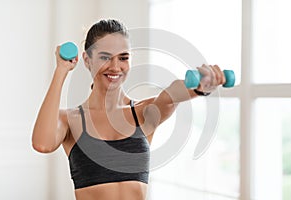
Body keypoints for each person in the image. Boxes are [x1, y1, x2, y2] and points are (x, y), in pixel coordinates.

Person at [32, 19, 226, 200]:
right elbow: (42, 144)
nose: (115, 67)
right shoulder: (70, 119)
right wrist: (61, 70)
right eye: (105, 57)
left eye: (123, 58)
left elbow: (170, 95)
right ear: (87, 59)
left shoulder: (142, 112)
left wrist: (200, 87)